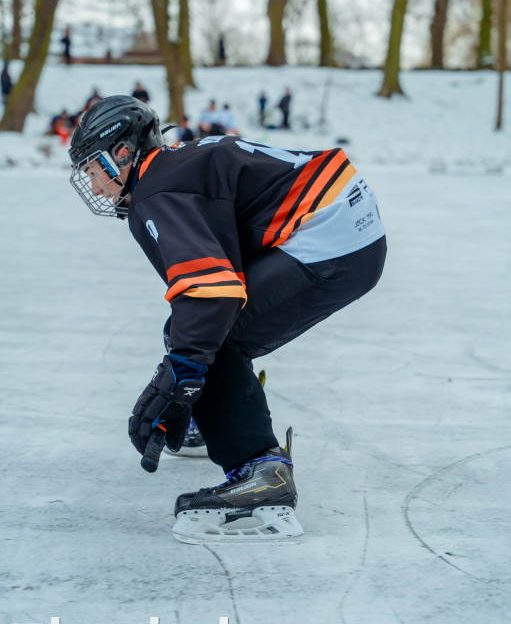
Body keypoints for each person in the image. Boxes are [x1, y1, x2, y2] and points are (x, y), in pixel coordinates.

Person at [68, 95, 386, 544]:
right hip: (345, 227)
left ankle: (261, 470)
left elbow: (211, 295)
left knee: (208, 342)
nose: (96, 187)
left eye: (93, 171)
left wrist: (176, 380)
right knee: (197, 337)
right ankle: (216, 415)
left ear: (121, 153)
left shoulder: (155, 189)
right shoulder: (171, 166)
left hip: (331, 239)